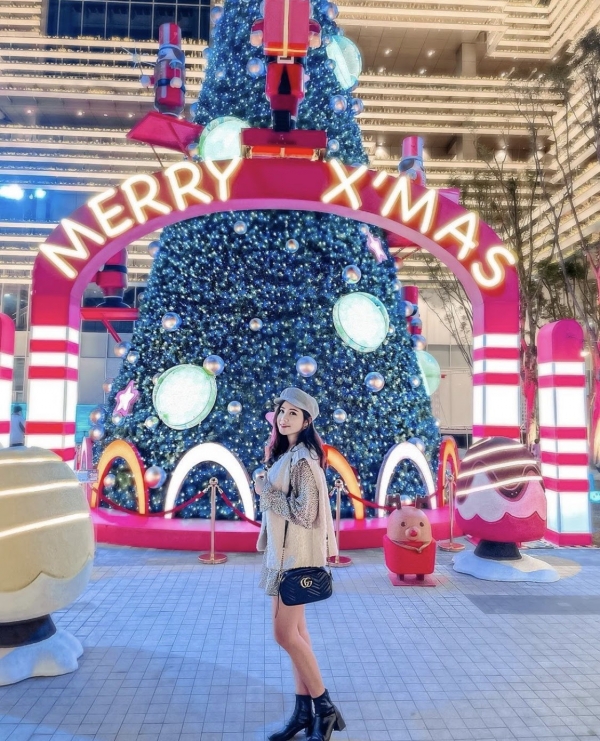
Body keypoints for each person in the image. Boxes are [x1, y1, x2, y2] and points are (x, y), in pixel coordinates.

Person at [257, 387, 345, 741]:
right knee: (297, 634)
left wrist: (265, 491)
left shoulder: (303, 461)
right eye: (282, 411)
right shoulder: (290, 455)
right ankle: (303, 713)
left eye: (293, 413)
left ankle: (324, 708)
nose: (284, 418)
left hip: (294, 560)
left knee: (283, 634)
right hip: (285, 556)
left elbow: (305, 514)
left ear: (307, 421)